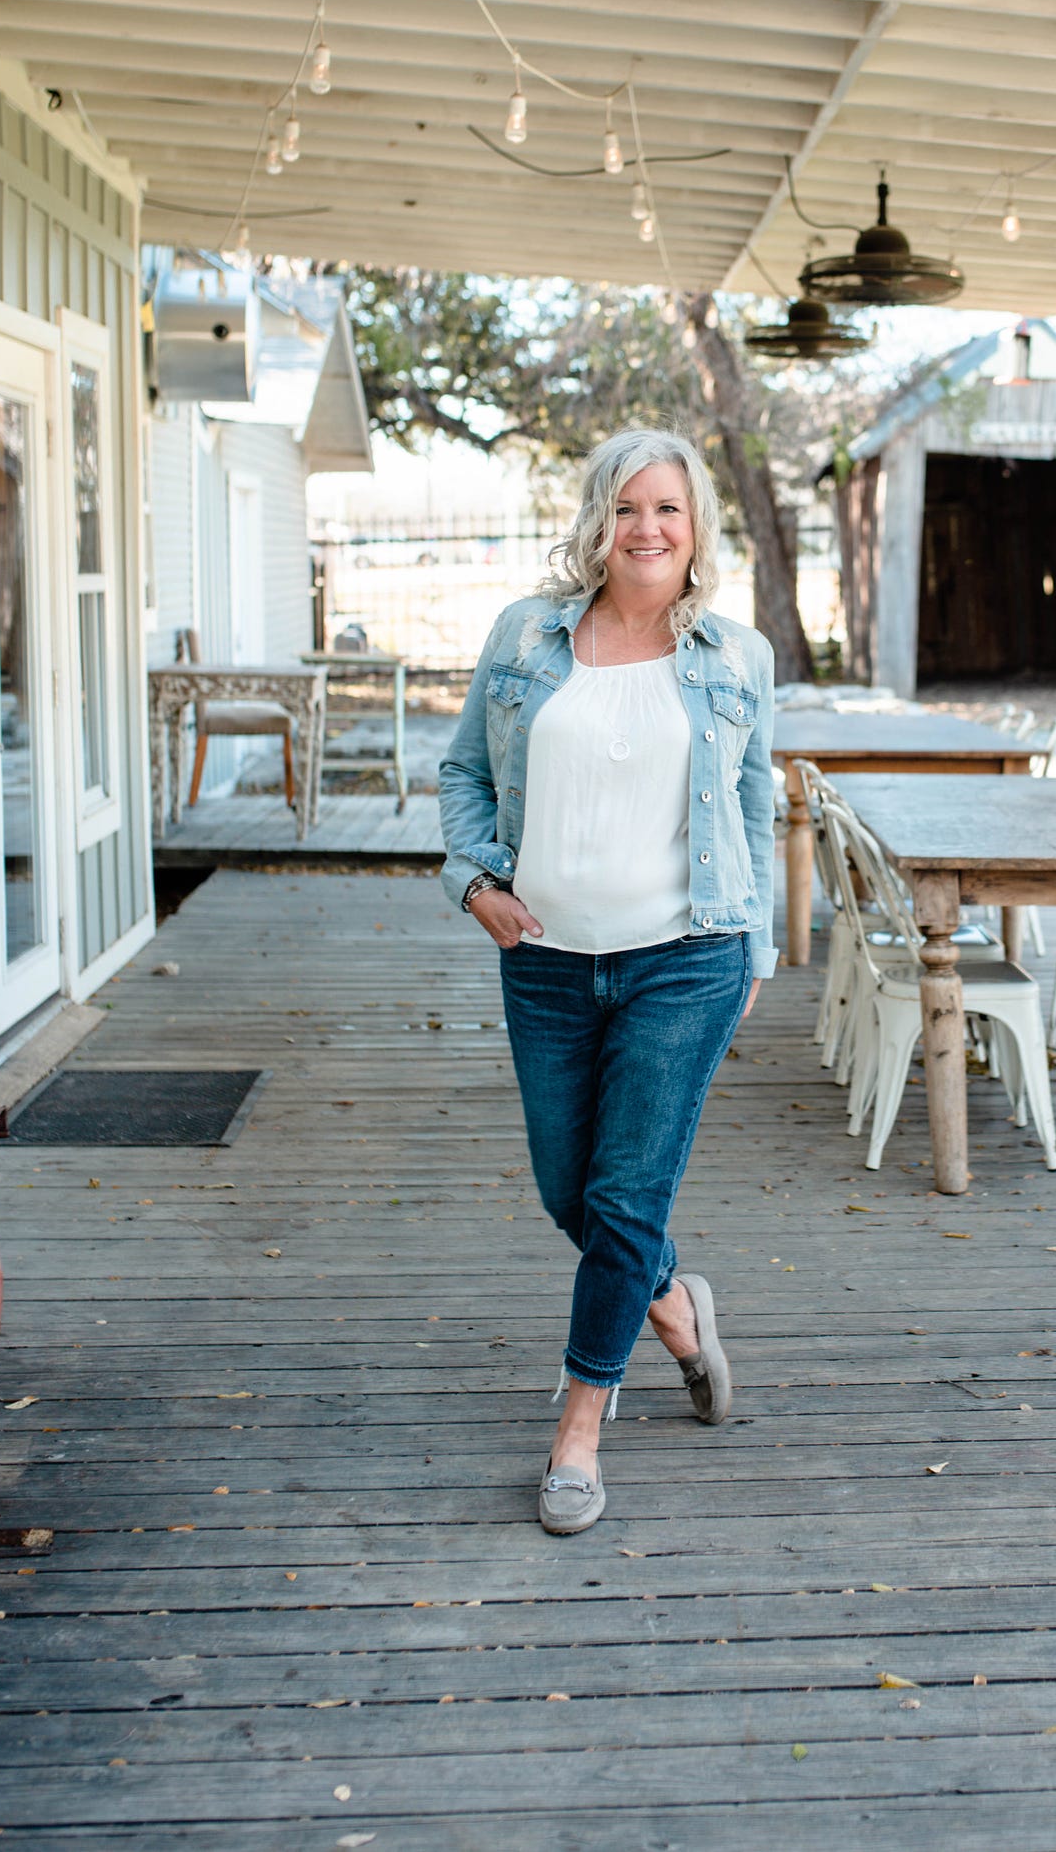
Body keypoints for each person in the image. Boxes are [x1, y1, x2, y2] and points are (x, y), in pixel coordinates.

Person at [439, 428, 777, 1535]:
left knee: (626, 1197)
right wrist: (470, 880)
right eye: (627, 507)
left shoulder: (735, 656)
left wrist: (757, 944)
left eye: (668, 509)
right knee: (568, 1193)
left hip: (685, 958)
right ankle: (674, 1309)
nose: (647, 529)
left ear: (697, 528)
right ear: (598, 521)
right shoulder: (526, 636)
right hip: (542, 960)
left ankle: (580, 1427)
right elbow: (462, 773)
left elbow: (756, 807)